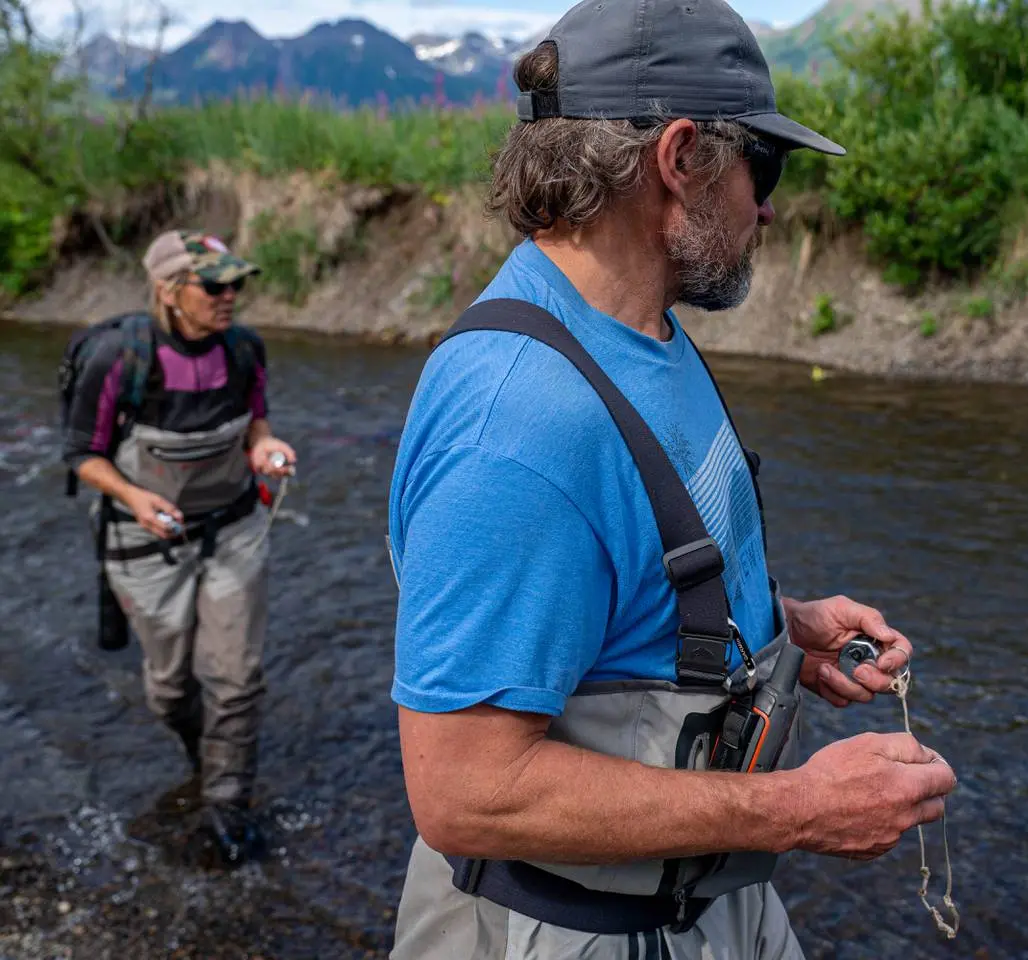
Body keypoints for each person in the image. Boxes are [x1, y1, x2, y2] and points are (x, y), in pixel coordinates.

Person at [384, 0, 957, 956]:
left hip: (699, 899)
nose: (768, 205)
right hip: (572, 930)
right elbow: (465, 793)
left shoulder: (636, 326)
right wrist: (796, 811)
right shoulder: (516, 423)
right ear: (681, 157)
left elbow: (626, 563)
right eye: (759, 166)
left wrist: (779, 629)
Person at [60, 229, 296, 866]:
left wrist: (263, 448)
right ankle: (205, 752)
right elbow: (83, 455)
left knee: (237, 679)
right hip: (146, 541)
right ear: (168, 291)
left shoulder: (245, 349)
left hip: (235, 527)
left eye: (237, 284)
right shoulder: (118, 358)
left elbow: (257, 419)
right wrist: (136, 499)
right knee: (168, 690)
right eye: (214, 285)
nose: (230, 296)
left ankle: (227, 802)